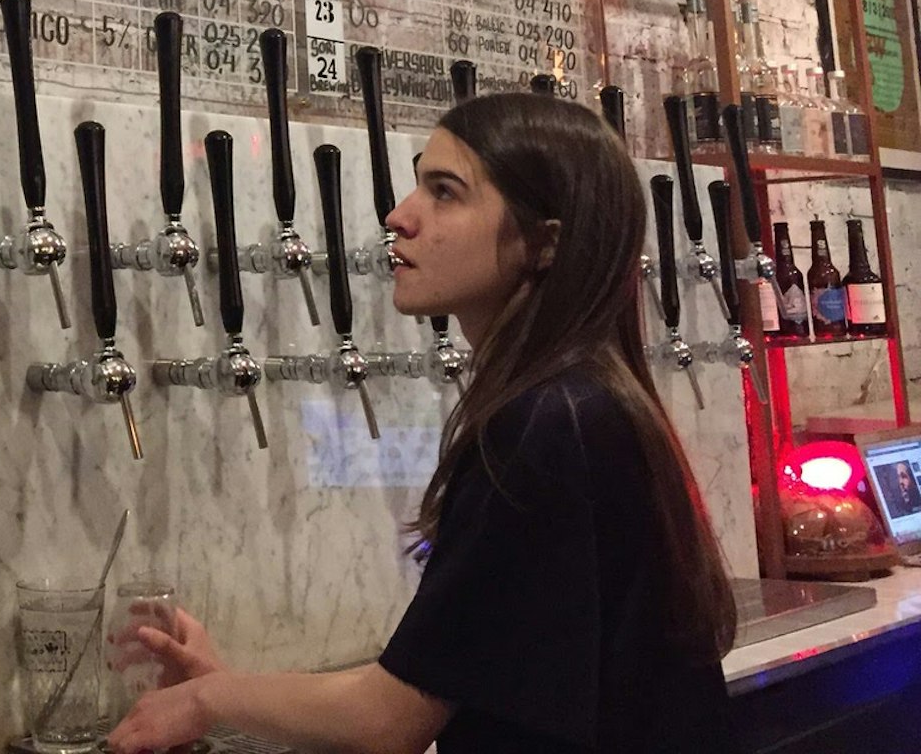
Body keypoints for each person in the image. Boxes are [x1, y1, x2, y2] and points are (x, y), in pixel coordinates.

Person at [108, 93, 739, 754]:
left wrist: (208, 697)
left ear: (544, 241)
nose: (398, 216)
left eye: (444, 192)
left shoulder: (544, 424)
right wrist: (229, 686)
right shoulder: (580, 401)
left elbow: (392, 719)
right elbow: (439, 682)